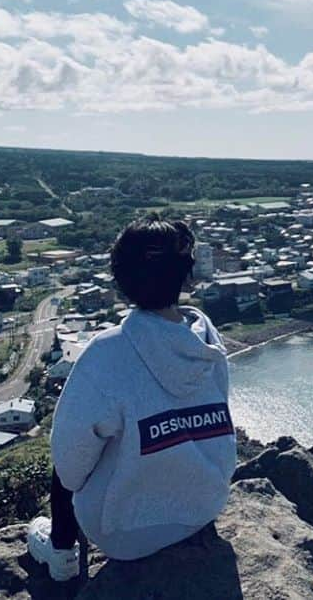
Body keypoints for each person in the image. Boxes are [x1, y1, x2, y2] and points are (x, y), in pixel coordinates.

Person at [27, 215, 237, 581]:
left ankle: (61, 554)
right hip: (204, 506)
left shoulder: (108, 353)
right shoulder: (206, 338)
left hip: (125, 535)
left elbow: (71, 467)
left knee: (67, 456)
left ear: (121, 280)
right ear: (186, 277)